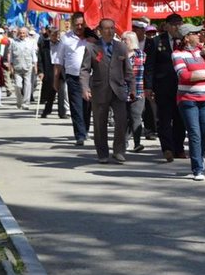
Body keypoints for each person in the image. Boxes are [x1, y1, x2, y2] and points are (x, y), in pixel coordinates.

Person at [80, 18, 135, 164]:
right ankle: (102, 153)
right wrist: (85, 88)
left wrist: (133, 89)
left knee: (122, 121)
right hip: (99, 91)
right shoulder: (91, 48)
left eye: (112, 28)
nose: (110, 31)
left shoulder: (121, 47)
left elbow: (128, 71)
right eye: (106, 28)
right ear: (100, 30)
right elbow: (85, 70)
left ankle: (118, 151)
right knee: (100, 123)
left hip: (119, 90)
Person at [173, 24, 205, 181]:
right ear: (186, 37)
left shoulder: (203, 50)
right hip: (187, 100)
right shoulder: (177, 54)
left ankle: (198, 155)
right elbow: (184, 75)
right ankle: (197, 168)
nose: (199, 35)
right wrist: (204, 77)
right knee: (195, 134)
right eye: (195, 33)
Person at [144, 13, 187, 162]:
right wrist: (148, 87)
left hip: (182, 86)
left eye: (179, 24)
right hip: (163, 87)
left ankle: (179, 148)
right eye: (174, 24)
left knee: (180, 118)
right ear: (166, 25)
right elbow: (149, 66)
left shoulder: (185, 41)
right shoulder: (156, 41)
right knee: (164, 119)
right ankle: (167, 148)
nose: (177, 27)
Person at [55, 12, 91, 146]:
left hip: (89, 78)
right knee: (76, 107)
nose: (80, 27)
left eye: (82, 24)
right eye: (77, 25)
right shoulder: (66, 39)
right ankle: (80, 135)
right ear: (71, 24)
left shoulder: (91, 37)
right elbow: (59, 60)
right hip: (73, 78)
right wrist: (56, 79)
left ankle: (85, 129)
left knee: (87, 106)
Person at [122, 31, 146, 153]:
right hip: (122, 92)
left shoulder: (142, 55)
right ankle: (124, 141)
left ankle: (137, 143)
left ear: (131, 41)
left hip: (138, 91)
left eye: (124, 39)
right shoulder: (120, 56)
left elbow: (147, 73)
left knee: (135, 117)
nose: (122, 42)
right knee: (124, 118)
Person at [38, 27, 67, 118]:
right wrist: (41, 71)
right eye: (53, 35)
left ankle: (62, 112)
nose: (55, 37)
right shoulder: (44, 44)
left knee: (61, 91)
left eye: (56, 35)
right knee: (51, 91)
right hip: (49, 68)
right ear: (49, 35)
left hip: (60, 68)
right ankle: (47, 110)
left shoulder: (62, 44)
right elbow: (40, 59)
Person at [8, 27, 39, 110]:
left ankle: (26, 103)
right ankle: (19, 101)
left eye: (23, 33)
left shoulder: (31, 42)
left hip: (28, 66)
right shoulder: (14, 42)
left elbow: (33, 55)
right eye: (20, 33)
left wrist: (35, 66)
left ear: (26, 34)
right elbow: (11, 56)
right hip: (17, 67)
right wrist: (10, 67)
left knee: (28, 85)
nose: (22, 35)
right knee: (18, 86)